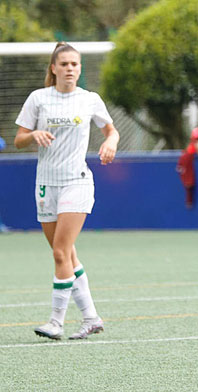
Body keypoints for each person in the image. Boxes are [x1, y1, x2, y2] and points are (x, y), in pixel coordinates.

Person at [14, 42, 118, 340]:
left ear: (80, 68)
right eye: (65, 64)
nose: (70, 69)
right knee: (66, 254)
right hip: (46, 183)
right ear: (54, 68)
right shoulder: (39, 99)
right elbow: (19, 138)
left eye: (75, 64)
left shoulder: (89, 100)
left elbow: (111, 130)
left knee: (60, 251)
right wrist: (33, 134)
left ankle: (56, 322)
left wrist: (110, 141)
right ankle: (91, 318)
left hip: (77, 181)